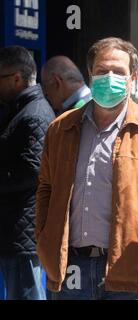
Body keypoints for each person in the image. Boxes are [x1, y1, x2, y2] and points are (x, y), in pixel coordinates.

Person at [36, 37, 138, 300]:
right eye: (102, 71)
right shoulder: (61, 129)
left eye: (119, 72)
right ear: (90, 74)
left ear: (133, 77)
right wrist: (45, 242)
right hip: (71, 269)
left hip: (130, 271)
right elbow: (46, 188)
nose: (109, 77)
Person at [0, 46, 55, 300]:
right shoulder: (20, 110)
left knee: (26, 293)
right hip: (16, 231)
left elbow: (30, 172)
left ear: (16, 78)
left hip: (22, 233)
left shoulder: (33, 114)